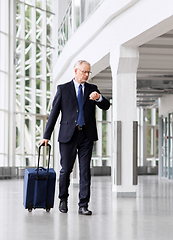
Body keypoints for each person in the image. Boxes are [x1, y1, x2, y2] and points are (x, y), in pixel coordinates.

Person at [42, 60, 110, 215]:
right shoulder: (63, 89)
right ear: (76, 71)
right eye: (84, 72)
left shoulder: (93, 89)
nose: (86, 75)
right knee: (65, 170)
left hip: (87, 135)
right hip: (68, 136)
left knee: (85, 171)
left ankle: (83, 205)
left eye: (88, 72)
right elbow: (54, 114)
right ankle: (63, 200)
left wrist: (99, 98)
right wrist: (46, 135)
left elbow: (106, 106)